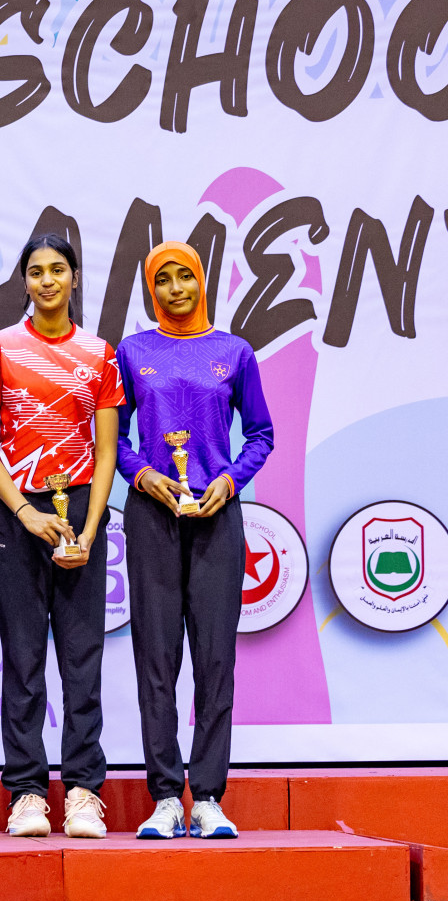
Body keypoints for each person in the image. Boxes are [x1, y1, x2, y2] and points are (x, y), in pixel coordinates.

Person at [116, 241, 273, 840]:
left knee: (215, 661)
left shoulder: (233, 351)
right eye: (164, 280)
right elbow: (116, 437)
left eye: (186, 277)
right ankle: (163, 797)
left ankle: (206, 795)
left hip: (216, 517)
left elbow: (261, 432)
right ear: (150, 289)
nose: (176, 289)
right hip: (151, 515)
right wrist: (141, 473)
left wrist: (231, 480)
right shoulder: (134, 352)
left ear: (202, 282)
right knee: (156, 659)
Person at [0, 233, 123, 839]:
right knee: (24, 657)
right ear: (24, 281)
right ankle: (28, 793)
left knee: (83, 657)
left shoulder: (99, 352)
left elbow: (108, 450)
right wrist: (26, 512)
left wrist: (88, 529)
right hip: (17, 508)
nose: (47, 281)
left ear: (75, 278)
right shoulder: (0, 348)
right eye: (35, 272)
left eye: (57, 270)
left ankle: (84, 790)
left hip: (81, 506)